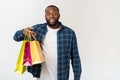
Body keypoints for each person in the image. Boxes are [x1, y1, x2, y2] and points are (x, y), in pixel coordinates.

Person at [13, 5, 82, 80]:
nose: (51, 16)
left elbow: (75, 58)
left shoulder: (69, 33)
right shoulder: (37, 29)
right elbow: (16, 37)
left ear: (59, 15)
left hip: (62, 76)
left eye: (54, 13)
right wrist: (23, 32)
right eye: (48, 13)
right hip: (41, 76)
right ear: (45, 15)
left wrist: (77, 77)